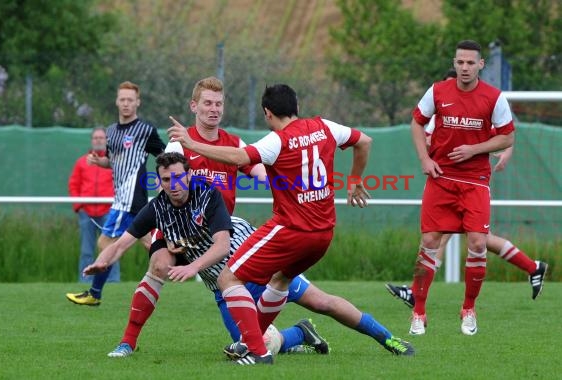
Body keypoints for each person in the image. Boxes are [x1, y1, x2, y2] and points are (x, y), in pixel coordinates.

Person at [83, 153, 414, 361]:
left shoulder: (207, 196)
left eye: (179, 177)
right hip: (226, 289)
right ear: (161, 181)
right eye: (166, 179)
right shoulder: (157, 208)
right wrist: (105, 261)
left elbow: (222, 247)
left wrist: (193, 267)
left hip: (261, 267)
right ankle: (301, 334)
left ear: (188, 175)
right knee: (257, 345)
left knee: (322, 302)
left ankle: (389, 339)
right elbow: (122, 241)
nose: (173, 184)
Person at [168, 84, 409, 365]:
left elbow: (244, 160)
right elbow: (364, 140)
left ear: (268, 113)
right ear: (297, 107)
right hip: (322, 234)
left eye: (217, 103)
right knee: (299, 292)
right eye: (208, 103)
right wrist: (354, 179)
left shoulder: (274, 141)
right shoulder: (325, 127)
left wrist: (194, 145)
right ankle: (388, 339)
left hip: (286, 235)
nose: (214, 109)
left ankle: (258, 353)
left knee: (229, 281)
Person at [386, 69, 547, 307]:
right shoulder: (437, 112)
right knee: (466, 240)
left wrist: (504, 152)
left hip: (468, 185)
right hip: (445, 183)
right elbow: (426, 136)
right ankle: (533, 267)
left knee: (452, 240)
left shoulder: (475, 109)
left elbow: (502, 136)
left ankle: (416, 294)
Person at [406, 40, 515, 336]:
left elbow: (506, 138)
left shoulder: (494, 98)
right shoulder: (438, 90)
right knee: (428, 243)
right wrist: (424, 159)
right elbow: (417, 123)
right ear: (454, 64)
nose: (464, 67)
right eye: (460, 62)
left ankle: (468, 308)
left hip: (475, 182)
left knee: (478, 244)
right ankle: (418, 311)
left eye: (470, 63)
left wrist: (473, 149)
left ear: (481, 65)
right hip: (441, 179)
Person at [66, 81, 166, 306]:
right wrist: (99, 161)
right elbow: (114, 162)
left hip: (130, 200)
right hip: (121, 198)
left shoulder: (145, 130)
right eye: (122, 99)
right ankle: (178, 265)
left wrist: (164, 182)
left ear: (138, 102)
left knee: (105, 243)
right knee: (150, 243)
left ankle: (94, 293)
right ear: (117, 101)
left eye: (131, 100)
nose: (126, 104)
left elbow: (165, 156)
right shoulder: (111, 131)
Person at [68, 127, 117, 282]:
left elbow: (121, 184)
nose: (98, 140)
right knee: (86, 251)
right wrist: (78, 205)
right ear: (91, 140)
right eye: (95, 138)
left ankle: (112, 280)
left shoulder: (114, 162)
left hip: (108, 212)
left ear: (106, 141)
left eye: (101, 138)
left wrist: (116, 206)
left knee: (111, 248)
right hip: (86, 213)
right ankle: (85, 280)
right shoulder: (81, 162)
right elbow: (74, 184)